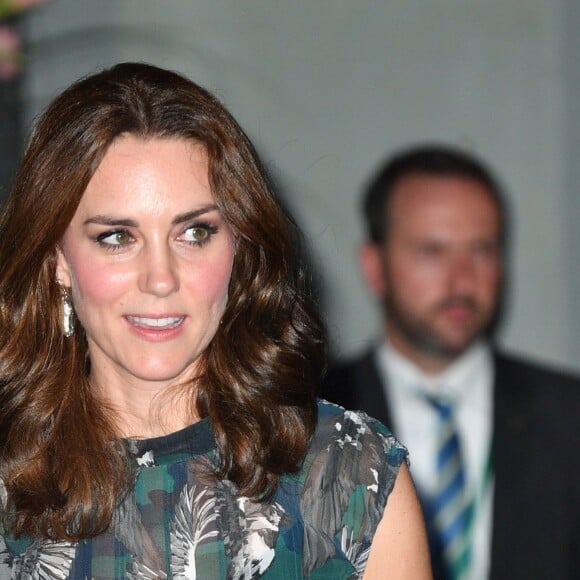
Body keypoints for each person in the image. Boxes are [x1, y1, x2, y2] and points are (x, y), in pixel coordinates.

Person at [0, 63, 431, 579]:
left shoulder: (350, 477)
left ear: (239, 249)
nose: (160, 279)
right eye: (117, 237)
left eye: (194, 233)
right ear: (58, 261)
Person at [321, 145, 580, 580]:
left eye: (481, 250)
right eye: (432, 251)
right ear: (374, 266)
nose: (462, 280)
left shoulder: (569, 416)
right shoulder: (311, 414)